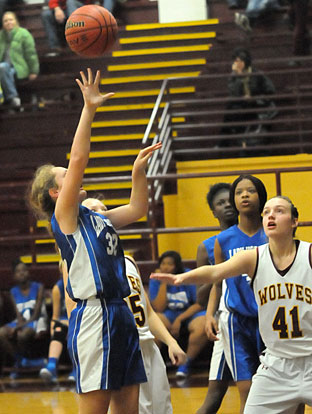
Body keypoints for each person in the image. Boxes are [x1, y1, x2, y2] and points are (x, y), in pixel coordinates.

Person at [28, 67, 161, 414]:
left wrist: (137, 173)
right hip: (93, 316)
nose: (72, 175)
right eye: (65, 176)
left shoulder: (97, 218)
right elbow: (79, 158)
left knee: (128, 408)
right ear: (58, 192)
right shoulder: (66, 218)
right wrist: (89, 109)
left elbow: (137, 209)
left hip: (121, 312)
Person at [151, 195, 312, 413]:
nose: (271, 215)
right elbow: (216, 271)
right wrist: (182, 278)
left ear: (294, 221)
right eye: (266, 212)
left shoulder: (309, 254)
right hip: (277, 366)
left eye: (279, 211)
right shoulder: (253, 257)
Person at [82, 195, 186, 413]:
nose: (102, 211)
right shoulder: (80, 263)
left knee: (161, 409)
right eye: (93, 209)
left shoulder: (128, 261)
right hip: (119, 349)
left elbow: (147, 310)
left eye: (104, 208)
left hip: (148, 347)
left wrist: (170, 342)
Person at [204, 174, 268, 414]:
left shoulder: (271, 234)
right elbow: (217, 282)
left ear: (261, 198)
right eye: (239, 192)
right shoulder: (223, 240)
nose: (244, 195)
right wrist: (210, 314)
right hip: (236, 322)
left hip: (269, 319)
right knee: (248, 390)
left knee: (279, 388)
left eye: (250, 191)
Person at [196, 183, 238, 414]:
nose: (227, 205)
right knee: (214, 395)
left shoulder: (260, 235)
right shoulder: (207, 247)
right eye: (220, 203)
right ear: (213, 212)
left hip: (261, 319)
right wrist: (218, 273)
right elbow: (201, 297)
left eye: (229, 200)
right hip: (228, 321)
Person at [149, 250, 209, 379]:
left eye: (169, 264)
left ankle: (185, 364)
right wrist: (164, 282)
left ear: (177, 265)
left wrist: (180, 319)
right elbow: (158, 307)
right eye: (163, 264)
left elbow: (199, 303)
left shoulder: (187, 275)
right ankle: (158, 364)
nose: (166, 267)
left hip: (189, 313)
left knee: (203, 324)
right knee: (153, 323)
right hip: (168, 314)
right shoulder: (156, 279)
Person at [220, 47, 277, 149]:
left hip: (258, 105)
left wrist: (255, 99)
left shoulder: (258, 75)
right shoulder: (234, 76)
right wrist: (239, 78)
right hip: (242, 105)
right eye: (236, 61)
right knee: (230, 110)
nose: (237, 63)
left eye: (239, 61)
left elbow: (270, 91)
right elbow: (233, 93)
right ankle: (224, 143)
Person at [0, 260, 48, 378]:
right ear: (14, 276)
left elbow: (36, 315)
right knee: (1, 333)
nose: (21, 273)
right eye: (18, 271)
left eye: (24, 270)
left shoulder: (39, 287)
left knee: (23, 335)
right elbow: (18, 315)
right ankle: (22, 361)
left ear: (28, 272)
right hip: (22, 322)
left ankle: (20, 364)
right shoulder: (13, 291)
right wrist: (17, 326)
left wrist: (18, 328)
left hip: (37, 321)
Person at [39, 262, 75, 383]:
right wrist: (53, 329)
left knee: (76, 331)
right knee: (58, 330)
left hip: (80, 321)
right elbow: (55, 316)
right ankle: (51, 366)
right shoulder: (58, 288)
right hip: (63, 323)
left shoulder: (82, 285)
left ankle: (78, 369)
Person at [42, 0, 118, 57]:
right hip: (65, 10)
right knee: (46, 15)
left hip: (86, 9)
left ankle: (77, 33)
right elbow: (52, 2)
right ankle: (55, 48)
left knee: (70, 2)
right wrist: (57, 9)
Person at [0, 11, 39, 109]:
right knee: (4, 69)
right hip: (4, 68)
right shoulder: (1, 36)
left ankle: (12, 98)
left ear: (15, 21)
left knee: (3, 68)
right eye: (5, 21)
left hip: (18, 68)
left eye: (10, 20)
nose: (8, 22)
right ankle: (14, 100)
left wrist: (33, 71)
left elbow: (31, 54)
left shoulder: (23, 33)